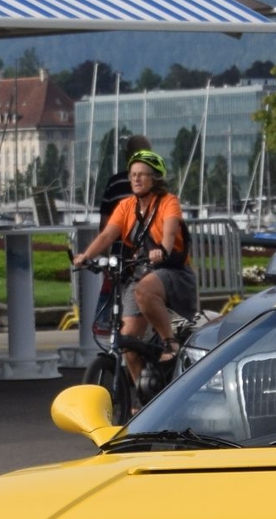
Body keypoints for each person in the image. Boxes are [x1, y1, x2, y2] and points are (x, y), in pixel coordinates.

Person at [70, 148, 197, 385]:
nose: (135, 179)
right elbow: (108, 235)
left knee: (144, 290)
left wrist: (163, 249)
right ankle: (141, 397)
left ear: (155, 179)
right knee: (127, 341)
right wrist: (86, 256)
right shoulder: (127, 205)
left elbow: (169, 232)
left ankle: (170, 342)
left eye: (142, 174)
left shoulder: (168, 202)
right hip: (141, 271)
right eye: (132, 175)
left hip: (172, 271)